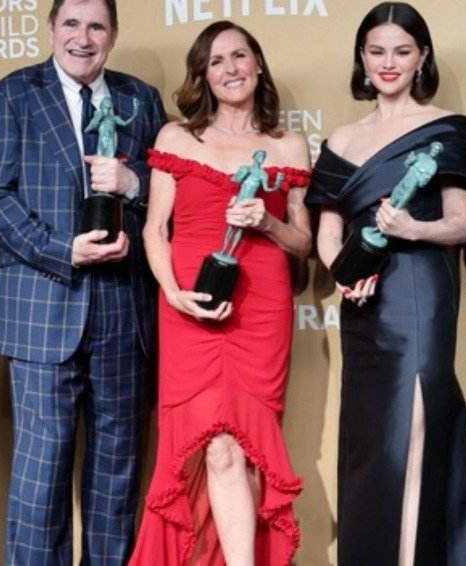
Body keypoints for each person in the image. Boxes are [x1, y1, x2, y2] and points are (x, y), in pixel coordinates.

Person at [308, 3, 466, 564]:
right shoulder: (341, 139)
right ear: (361, 58)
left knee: (417, 426)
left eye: (402, 51)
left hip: (420, 291)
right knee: (373, 444)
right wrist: (344, 276)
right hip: (363, 305)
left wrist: (412, 228)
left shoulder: (447, 128)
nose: (389, 63)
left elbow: (461, 224)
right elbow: (327, 233)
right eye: (377, 51)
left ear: (422, 57)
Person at [0, 0, 167, 564]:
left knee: (117, 476)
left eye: (97, 26)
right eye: (72, 24)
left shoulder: (141, 98)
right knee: (41, 477)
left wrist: (133, 182)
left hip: (124, 312)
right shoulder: (11, 94)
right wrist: (63, 250)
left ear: (114, 34)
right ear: (51, 29)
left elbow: (170, 189)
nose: (83, 38)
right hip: (41, 309)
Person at [128, 20, 312, 566]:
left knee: (248, 452)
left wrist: (268, 223)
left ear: (258, 64)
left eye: (239, 56)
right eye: (216, 61)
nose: (230, 69)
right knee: (217, 448)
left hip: (261, 310)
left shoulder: (289, 145)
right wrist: (173, 294)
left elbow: (303, 243)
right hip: (190, 309)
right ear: (202, 76)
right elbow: (154, 230)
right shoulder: (177, 137)